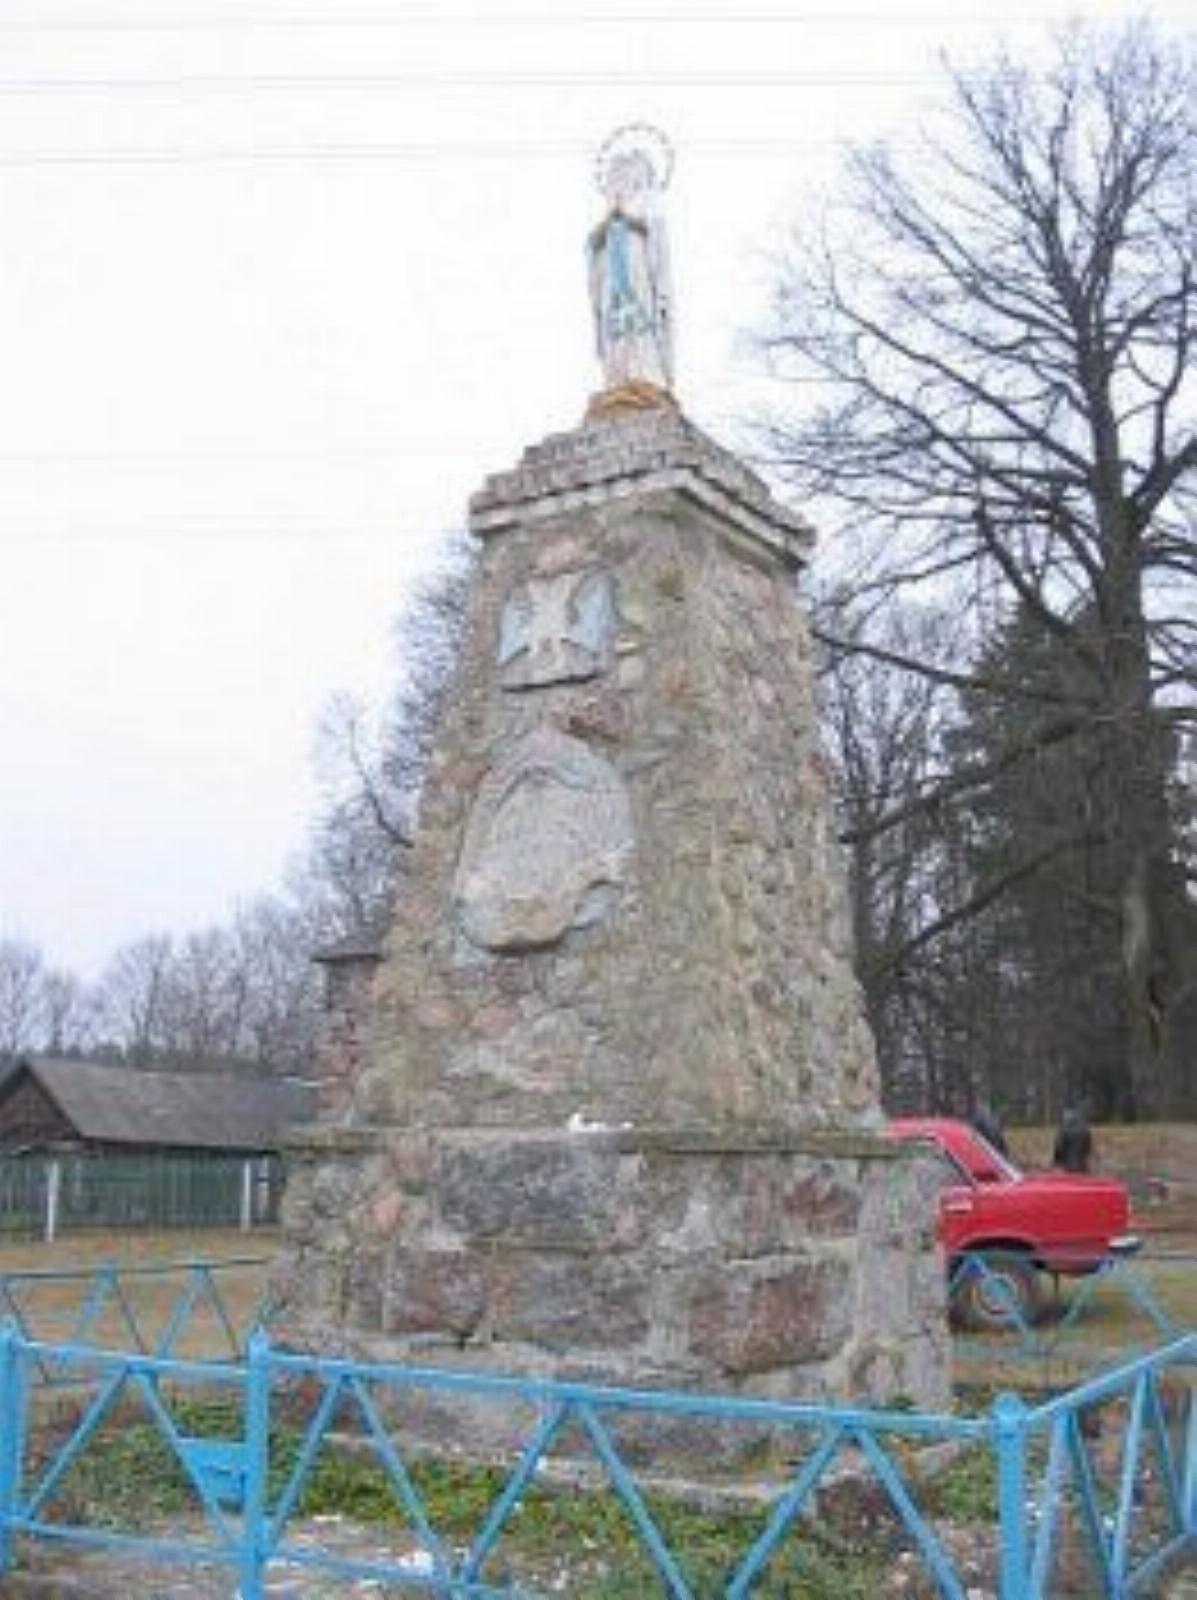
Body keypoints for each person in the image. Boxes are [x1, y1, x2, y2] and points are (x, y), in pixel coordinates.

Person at [1052, 1105, 1094, 1174]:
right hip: (1079, 1168)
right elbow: (1088, 1152)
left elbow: (1058, 1151)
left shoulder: (1063, 1132)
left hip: (1067, 1169)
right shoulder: (1085, 1131)